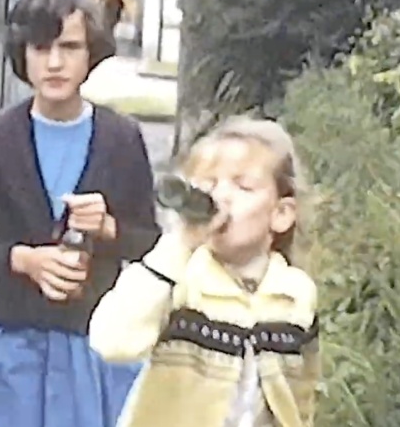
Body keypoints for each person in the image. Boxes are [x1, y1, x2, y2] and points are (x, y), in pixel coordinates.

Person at [0, 0, 161, 427]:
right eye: (40, 47)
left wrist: (108, 229)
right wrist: (20, 259)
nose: (54, 62)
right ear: (21, 54)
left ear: (91, 53)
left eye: (69, 47)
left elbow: (149, 244)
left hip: (94, 348)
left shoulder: (121, 139)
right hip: (11, 348)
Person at [89, 117, 320, 427]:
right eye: (209, 185)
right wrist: (180, 243)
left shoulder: (295, 294)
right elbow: (111, 341)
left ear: (281, 214)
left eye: (243, 186)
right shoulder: (179, 279)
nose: (222, 196)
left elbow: (302, 396)